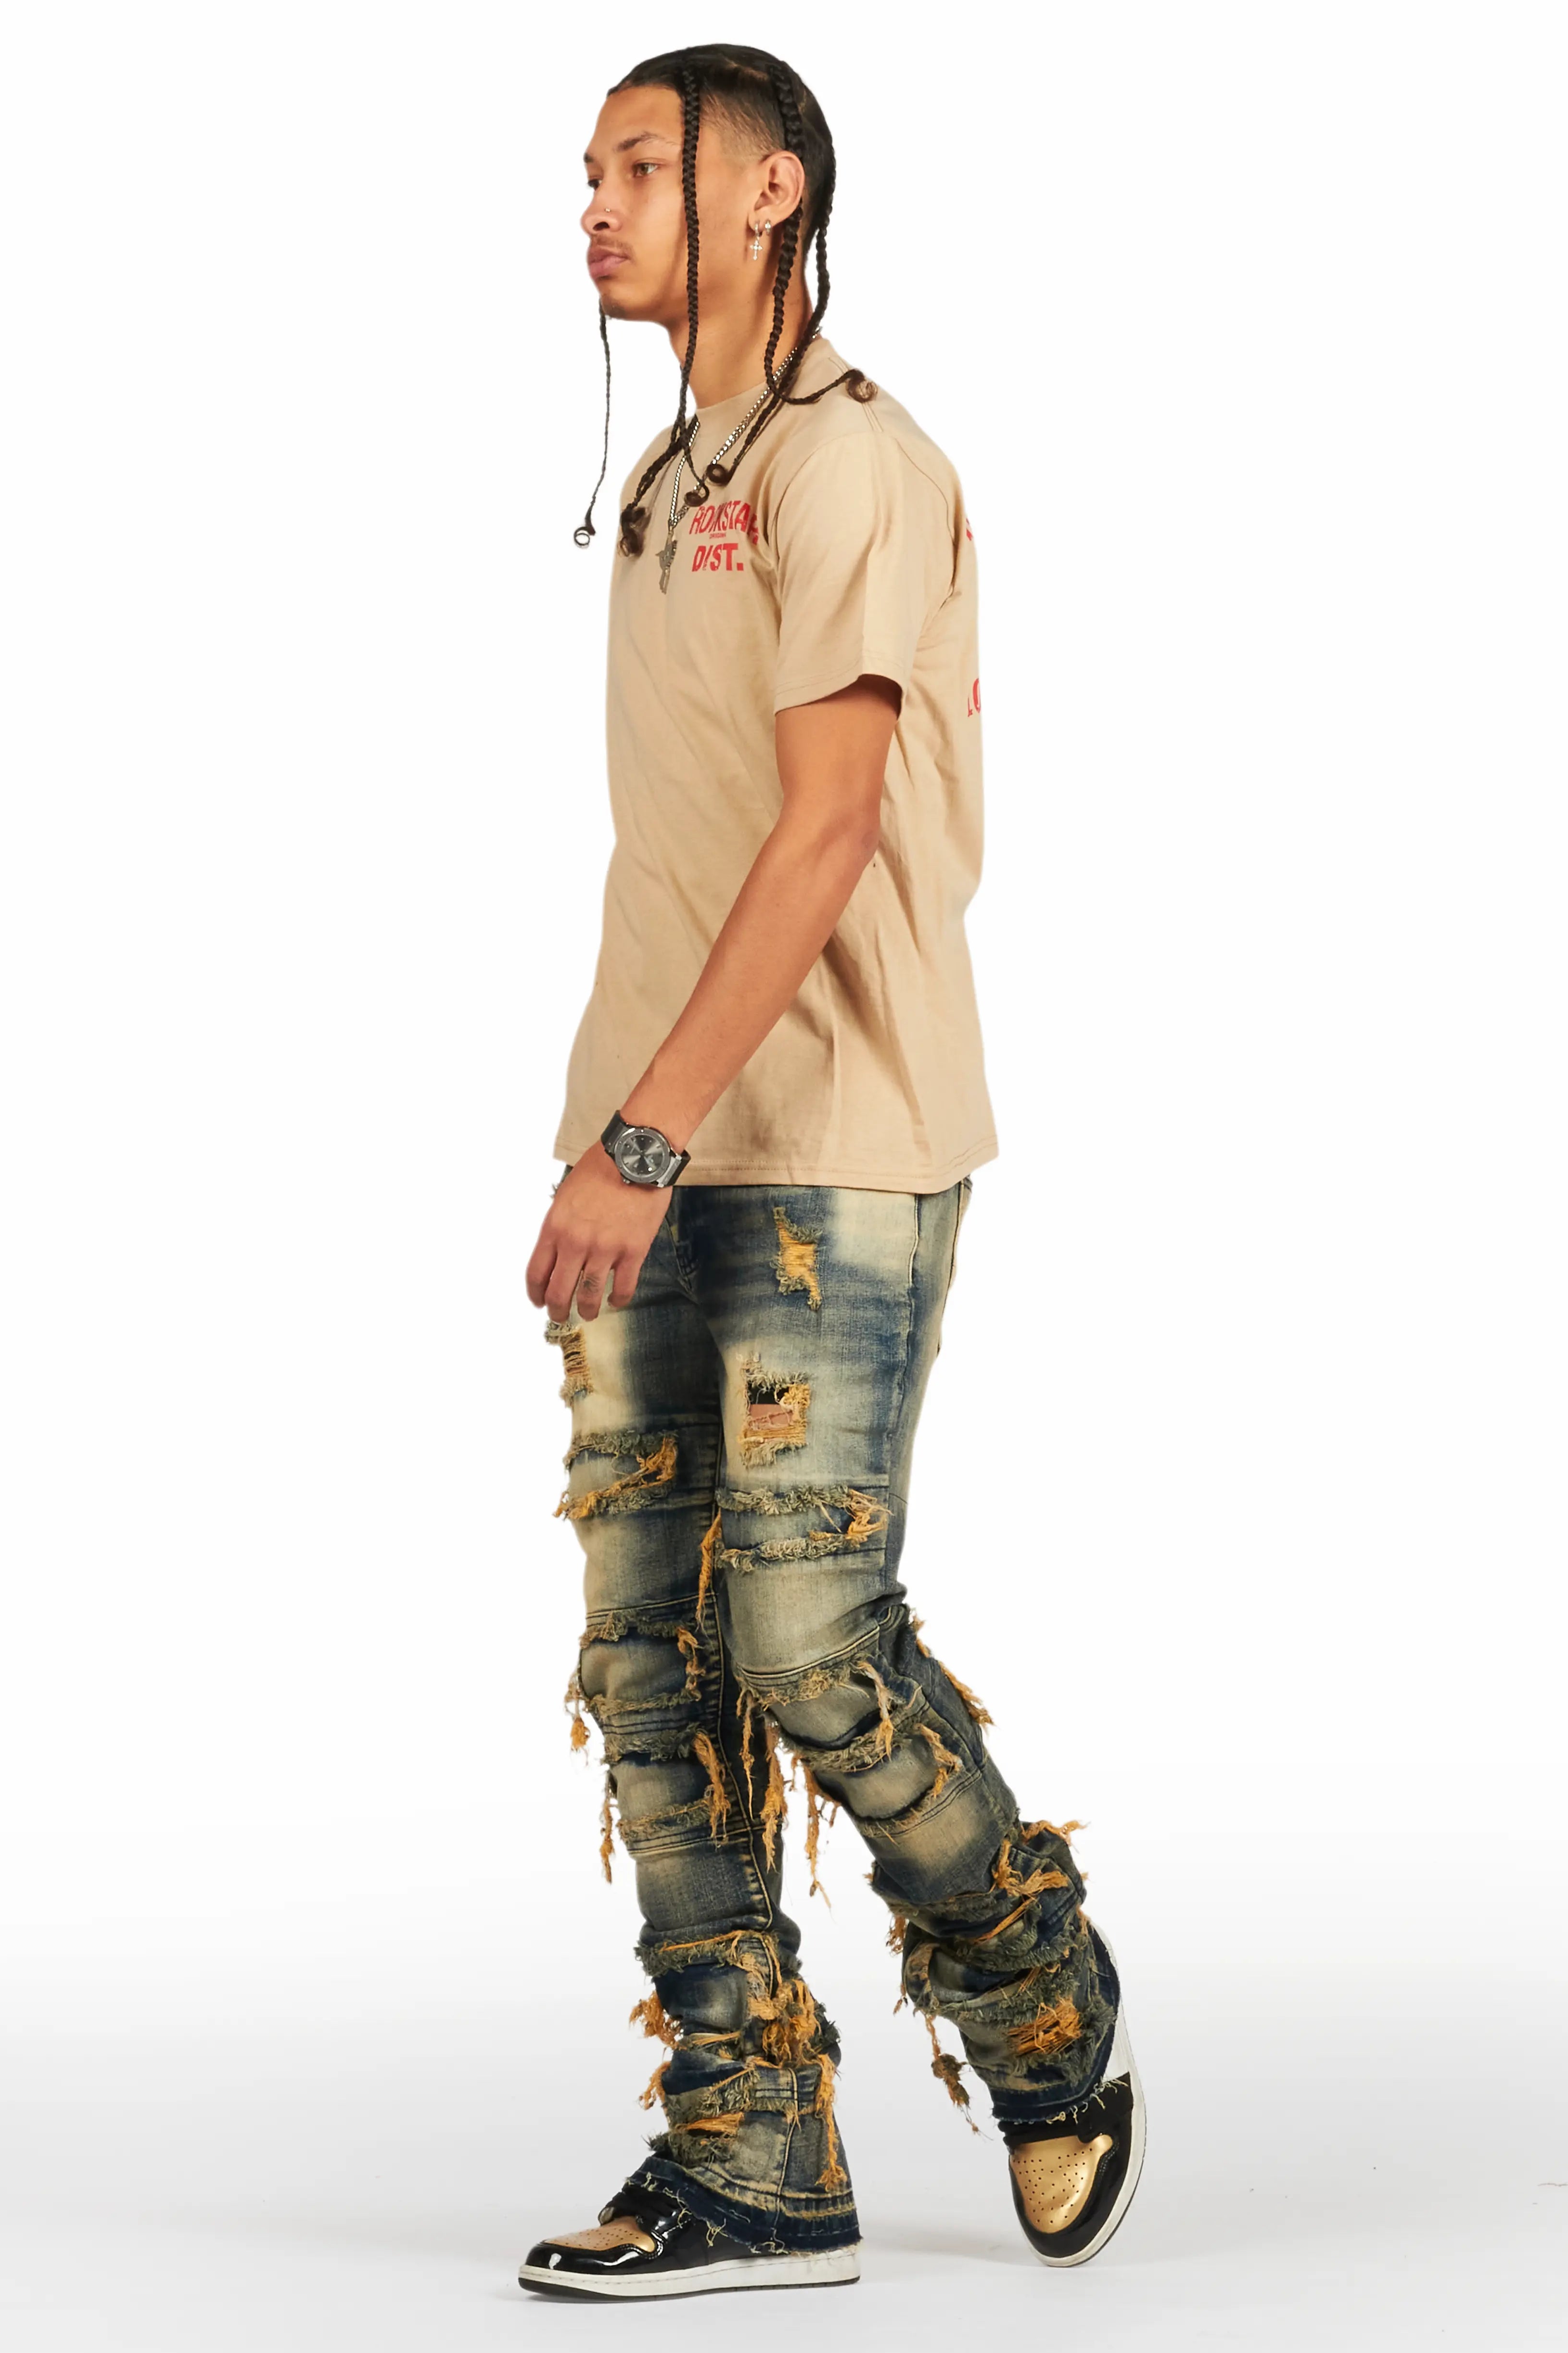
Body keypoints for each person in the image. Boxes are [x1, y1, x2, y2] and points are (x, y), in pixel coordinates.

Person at [518, 43, 1145, 2302]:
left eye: (641, 163)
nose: (593, 205)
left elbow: (827, 830)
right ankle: (751, 2143)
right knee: (649, 1651)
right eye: (585, 170)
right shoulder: (666, 473)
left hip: (824, 1144)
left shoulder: (852, 460)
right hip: (645, 1128)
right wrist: (618, 1124)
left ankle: (1034, 1986)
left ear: (771, 189)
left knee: (802, 1626)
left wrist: (643, 1135)